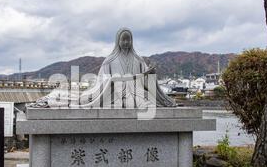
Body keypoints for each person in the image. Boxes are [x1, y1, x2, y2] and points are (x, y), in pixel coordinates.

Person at [31, 28, 176, 108]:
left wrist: (150, 74)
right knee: (82, 99)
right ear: (118, 41)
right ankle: (54, 98)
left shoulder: (138, 60)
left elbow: (145, 80)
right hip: (111, 94)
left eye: (128, 39)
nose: (126, 42)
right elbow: (101, 80)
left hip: (135, 93)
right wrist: (112, 81)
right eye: (123, 39)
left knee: (147, 102)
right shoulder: (110, 60)